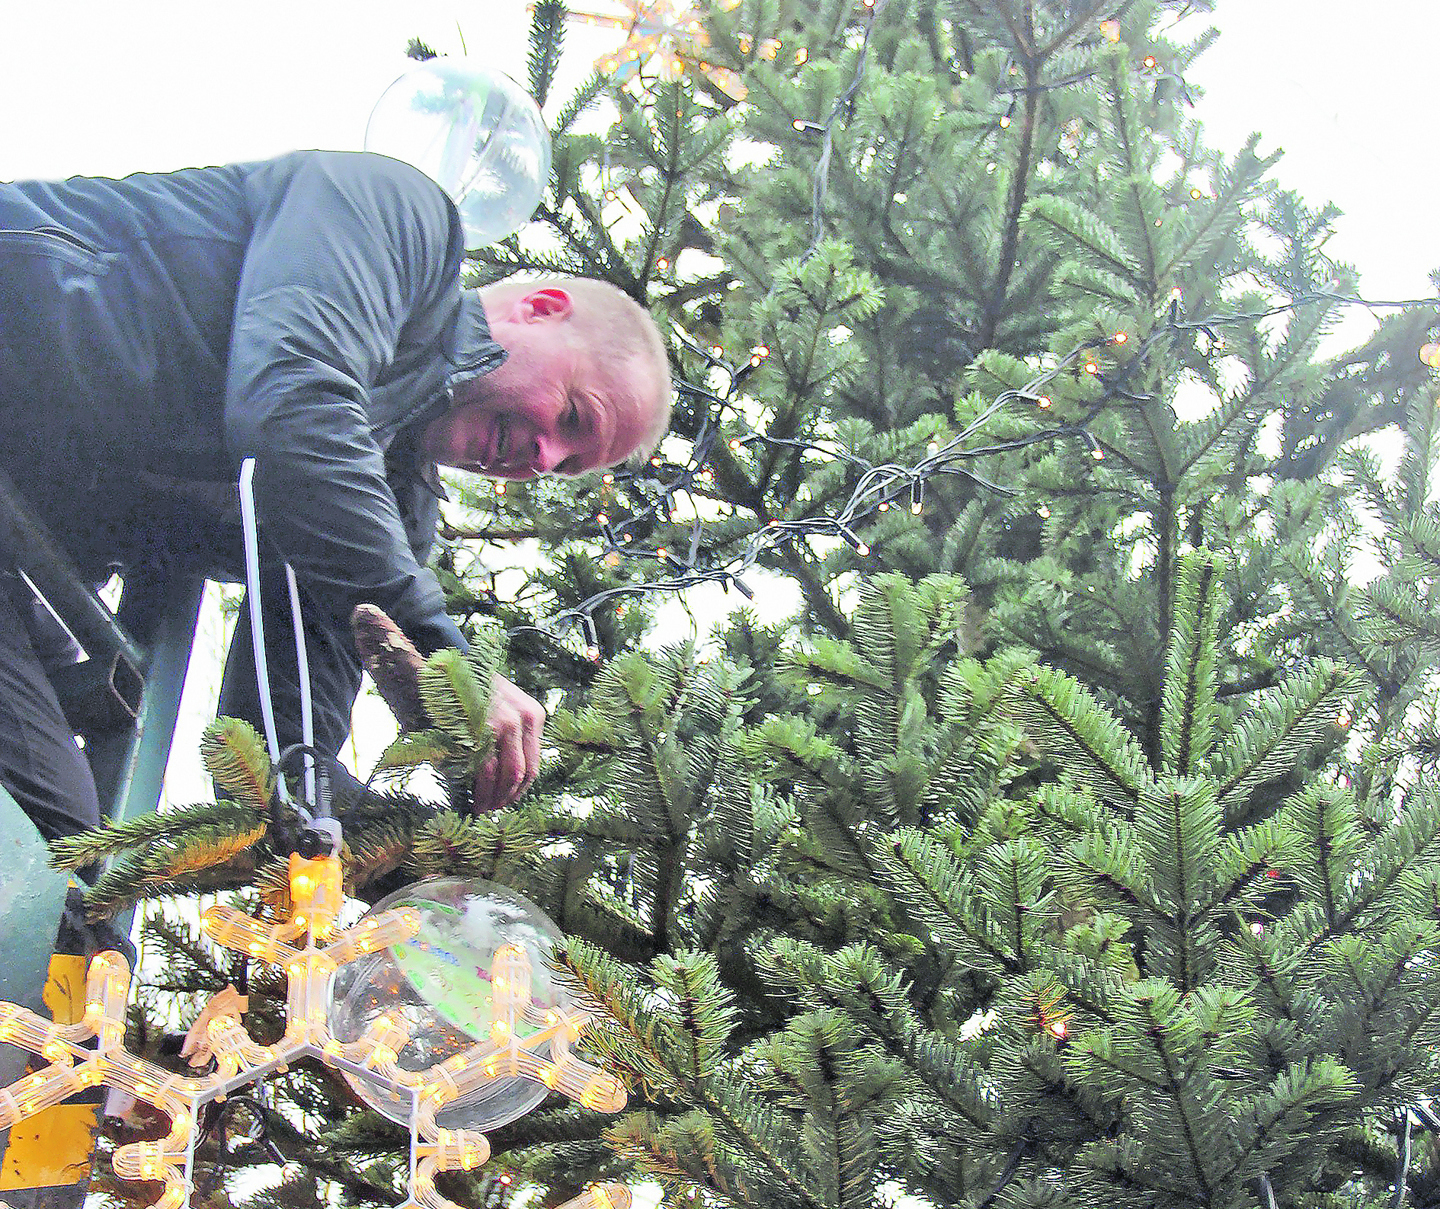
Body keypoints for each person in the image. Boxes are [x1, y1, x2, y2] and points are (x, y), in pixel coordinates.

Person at [0, 149, 671, 839]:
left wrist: (428, 845)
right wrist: (447, 655)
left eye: (566, 467)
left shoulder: (382, 509)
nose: (544, 457)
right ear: (540, 309)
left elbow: (276, 762)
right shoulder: (398, 216)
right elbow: (291, 407)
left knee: (60, 852)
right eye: (573, 417)